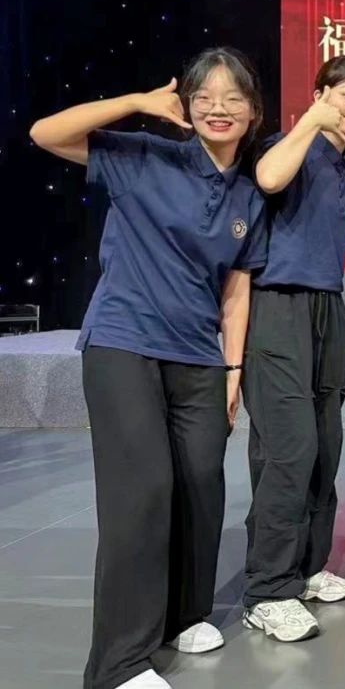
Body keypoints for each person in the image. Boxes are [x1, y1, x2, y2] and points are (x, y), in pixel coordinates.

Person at [30, 48, 268, 689]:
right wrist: (137, 102)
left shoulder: (249, 192)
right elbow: (45, 133)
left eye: (233, 97)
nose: (218, 108)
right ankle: (118, 664)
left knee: (200, 485)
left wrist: (232, 368)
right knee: (142, 494)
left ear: (253, 110)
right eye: (204, 96)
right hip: (124, 343)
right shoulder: (144, 156)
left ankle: (182, 617)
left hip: (199, 355)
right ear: (185, 105)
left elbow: (236, 290)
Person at [239, 58, 345, 642]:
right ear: (320, 94)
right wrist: (309, 122)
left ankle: (307, 567)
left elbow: (343, 229)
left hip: (327, 304)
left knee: (325, 442)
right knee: (289, 448)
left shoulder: (343, 164)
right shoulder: (288, 144)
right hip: (279, 305)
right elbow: (270, 179)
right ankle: (267, 590)